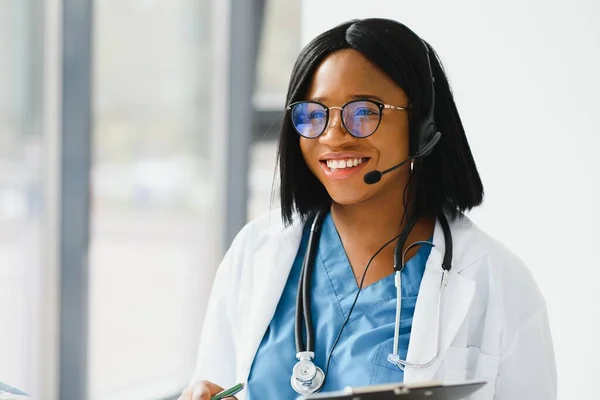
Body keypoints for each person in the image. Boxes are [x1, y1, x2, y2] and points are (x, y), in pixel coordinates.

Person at [179, 18, 556, 400]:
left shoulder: (497, 280)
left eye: (363, 112)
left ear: (423, 123)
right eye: (314, 114)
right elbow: (216, 378)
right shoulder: (254, 250)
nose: (333, 135)